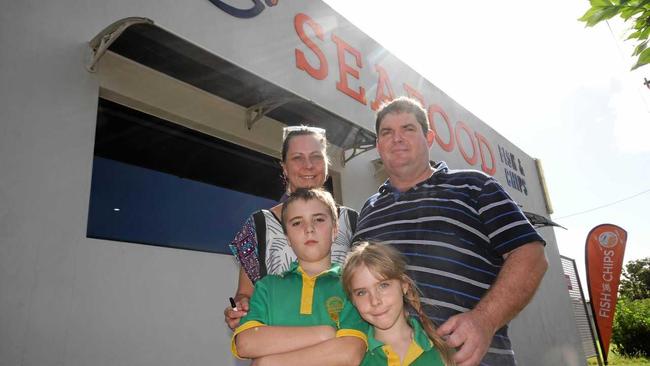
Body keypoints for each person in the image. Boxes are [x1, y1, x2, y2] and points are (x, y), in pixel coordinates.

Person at [352, 97, 548, 366]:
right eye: (387, 132)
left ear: (428, 137)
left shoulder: (474, 187)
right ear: (378, 146)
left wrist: (484, 320)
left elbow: (531, 255)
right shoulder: (368, 210)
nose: (397, 138)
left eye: (408, 129)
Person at [225, 126, 358, 330]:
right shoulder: (260, 224)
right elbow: (245, 294)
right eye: (297, 158)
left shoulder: (353, 220)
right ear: (284, 168)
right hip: (280, 347)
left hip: (342, 346)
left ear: (326, 164)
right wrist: (239, 307)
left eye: (316, 156)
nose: (308, 165)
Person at [231, 188, 367, 365]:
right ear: (287, 237)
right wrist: (327, 333)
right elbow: (246, 343)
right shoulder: (267, 286)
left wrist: (269, 363)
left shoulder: (353, 287)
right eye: (296, 223)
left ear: (335, 230)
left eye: (318, 219)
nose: (309, 229)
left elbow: (349, 354)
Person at [342, 241, 455, 366]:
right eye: (362, 293)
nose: (375, 301)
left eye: (383, 285)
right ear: (353, 300)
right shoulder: (353, 358)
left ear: (404, 286)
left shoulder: (442, 353)